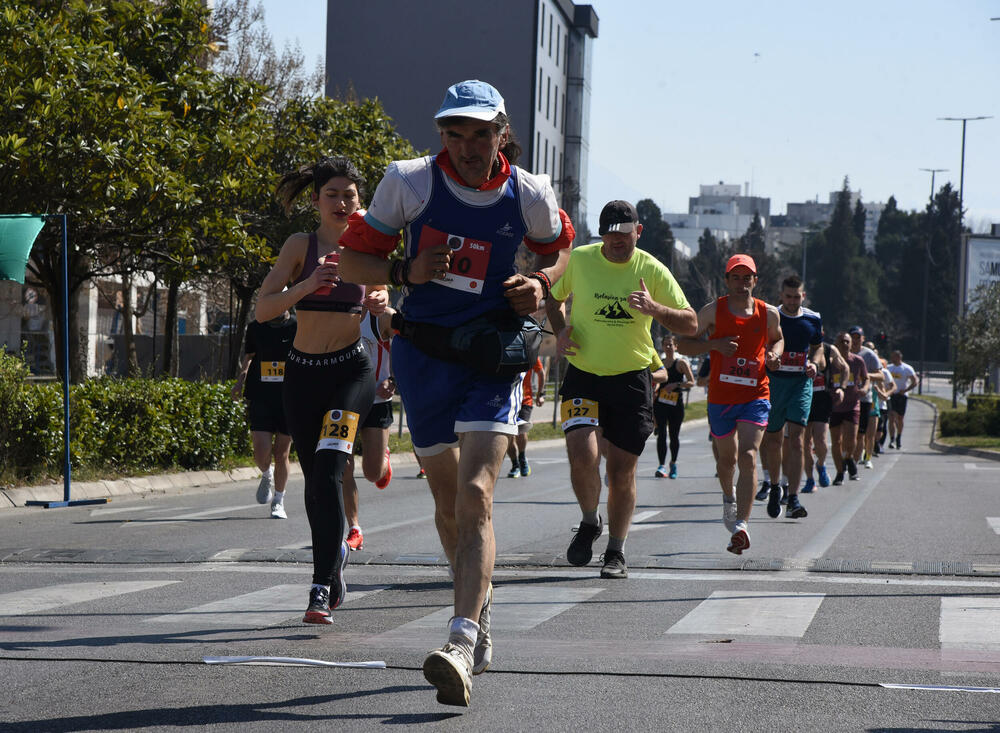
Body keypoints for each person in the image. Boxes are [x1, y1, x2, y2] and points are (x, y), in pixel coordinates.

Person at [338, 80, 574, 707]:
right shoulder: (409, 183)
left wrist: (540, 284)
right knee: (448, 506)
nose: (466, 146)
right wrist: (404, 271)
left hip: (493, 358)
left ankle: (461, 640)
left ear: (503, 131)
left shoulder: (530, 192)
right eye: (454, 133)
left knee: (476, 494)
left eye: (479, 133)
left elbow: (560, 253)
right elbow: (355, 263)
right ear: (441, 134)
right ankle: (480, 606)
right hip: (425, 359)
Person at [254, 156, 388, 625]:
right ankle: (336, 564)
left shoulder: (367, 244)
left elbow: (386, 305)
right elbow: (263, 310)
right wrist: (308, 283)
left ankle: (319, 586)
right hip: (303, 374)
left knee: (333, 465)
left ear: (360, 201)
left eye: (349, 194)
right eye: (331, 194)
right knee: (317, 483)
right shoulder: (299, 245)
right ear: (316, 201)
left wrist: (380, 301)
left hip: (351, 372)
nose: (341, 202)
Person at [546, 199, 696, 579]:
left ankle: (616, 551)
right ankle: (588, 519)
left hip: (631, 378)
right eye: (609, 235)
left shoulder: (651, 268)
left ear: (637, 232)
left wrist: (655, 309)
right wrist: (560, 329)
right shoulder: (580, 260)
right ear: (600, 234)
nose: (617, 242)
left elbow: (691, 323)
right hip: (583, 373)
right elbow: (552, 296)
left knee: (621, 469)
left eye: (624, 235)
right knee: (582, 453)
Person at [677, 254, 783, 555]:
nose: (741, 282)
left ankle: (742, 526)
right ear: (727, 281)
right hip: (722, 399)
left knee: (749, 455)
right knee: (728, 460)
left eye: (746, 277)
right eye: (735, 277)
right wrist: (713, 345)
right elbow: (683, 343)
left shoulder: (768, 313)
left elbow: (778, 339)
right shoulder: (713, 311)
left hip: (756, 395)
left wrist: (774, 355)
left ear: (755, 280)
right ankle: (728, 496)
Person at [758, 276, 823, 520]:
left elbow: (818, 348)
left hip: (800, 383)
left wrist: (815, 364)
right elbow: (758, 344)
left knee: (797, 440)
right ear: (781, 295)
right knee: (773, 441)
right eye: (788, 296)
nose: (793, 301)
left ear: (803, 296)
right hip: (774, 384)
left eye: (797, 297)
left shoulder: (813, 318)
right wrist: (769, 357)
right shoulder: (771, 316)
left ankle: (793, 498)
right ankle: (775, 487)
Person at [231, 309, 297, 519]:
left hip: (288, 397)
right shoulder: (256, 327)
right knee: (261, 452)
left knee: (282, 453)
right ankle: (266, 473)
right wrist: (240, 380)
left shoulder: (298, 325)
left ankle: (278, 500)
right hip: (261, 395)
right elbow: (249, 356)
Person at [342, 305, 397, 551]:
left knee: (373, 473)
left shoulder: (383, 315)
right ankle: (354, 528)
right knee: (343, 467)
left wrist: (393, 379)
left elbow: (410, 347)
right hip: (344, 402)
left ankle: (384, 458)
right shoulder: (336, 313)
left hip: (377, 400)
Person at [802, 336, 848, 492]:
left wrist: (841, 388)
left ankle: (820, 464)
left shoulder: (829, 349)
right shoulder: (798, 345)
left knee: (820, 439)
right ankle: (810, 480)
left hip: (822, 397)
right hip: (802, 396)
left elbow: (845, 368)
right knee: (805, 442)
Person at [829, 331, 870, 484]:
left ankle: (849, 458)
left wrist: (865, 388)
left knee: (851, 440)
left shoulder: (858, 361)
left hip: (853, 405)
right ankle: (840, 472)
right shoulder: (830, 362)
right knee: (836, 442)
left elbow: (866, 378)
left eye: (848, 342)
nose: (845, 344)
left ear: (851, 344)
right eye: (842, 342)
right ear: (836, 345)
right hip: (834, 406)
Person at [654, 334, 695, 479]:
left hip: (676, 404)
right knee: (661, 434)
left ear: (676, 346)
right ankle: (661, 465)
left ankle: (673, 462)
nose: (668, 347)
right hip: (660, 403)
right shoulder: (660, 362)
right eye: (665, 344)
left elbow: (691, 382)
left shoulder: (681, 363)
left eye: (671, 344)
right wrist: (656, 388)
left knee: (674, 435)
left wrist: (676, 384)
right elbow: (656, 379)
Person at [848, 327, 885, 469]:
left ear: (863, 338)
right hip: (846, 399)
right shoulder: (842, 353)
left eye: (858, 337)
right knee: (846, 435)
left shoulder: (868, 355)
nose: (855, 340)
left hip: (865, 398)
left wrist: (866, 375)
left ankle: (858, 463)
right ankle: (847, 460)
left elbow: (881, 375)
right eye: (853, 337)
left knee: (862, 434)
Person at [505, 357, 546, 478]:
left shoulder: (529, 350)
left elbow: (541, 372)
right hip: (507, 400)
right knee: (508, 435)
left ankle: (522, 458)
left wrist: (541, 394)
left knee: (520, 431)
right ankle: (515, 464)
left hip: (525, 400)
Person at [887, 350, 918, 449]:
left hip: (901, 396)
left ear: (899, 357)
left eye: (894, 357)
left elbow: (915, 381)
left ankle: (898, 437)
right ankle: (891, 439)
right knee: (891, 417)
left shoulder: (906, 368)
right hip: (892, 395)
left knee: (900, 418)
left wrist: (905, 390)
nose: (892, 359)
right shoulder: (889, 368)